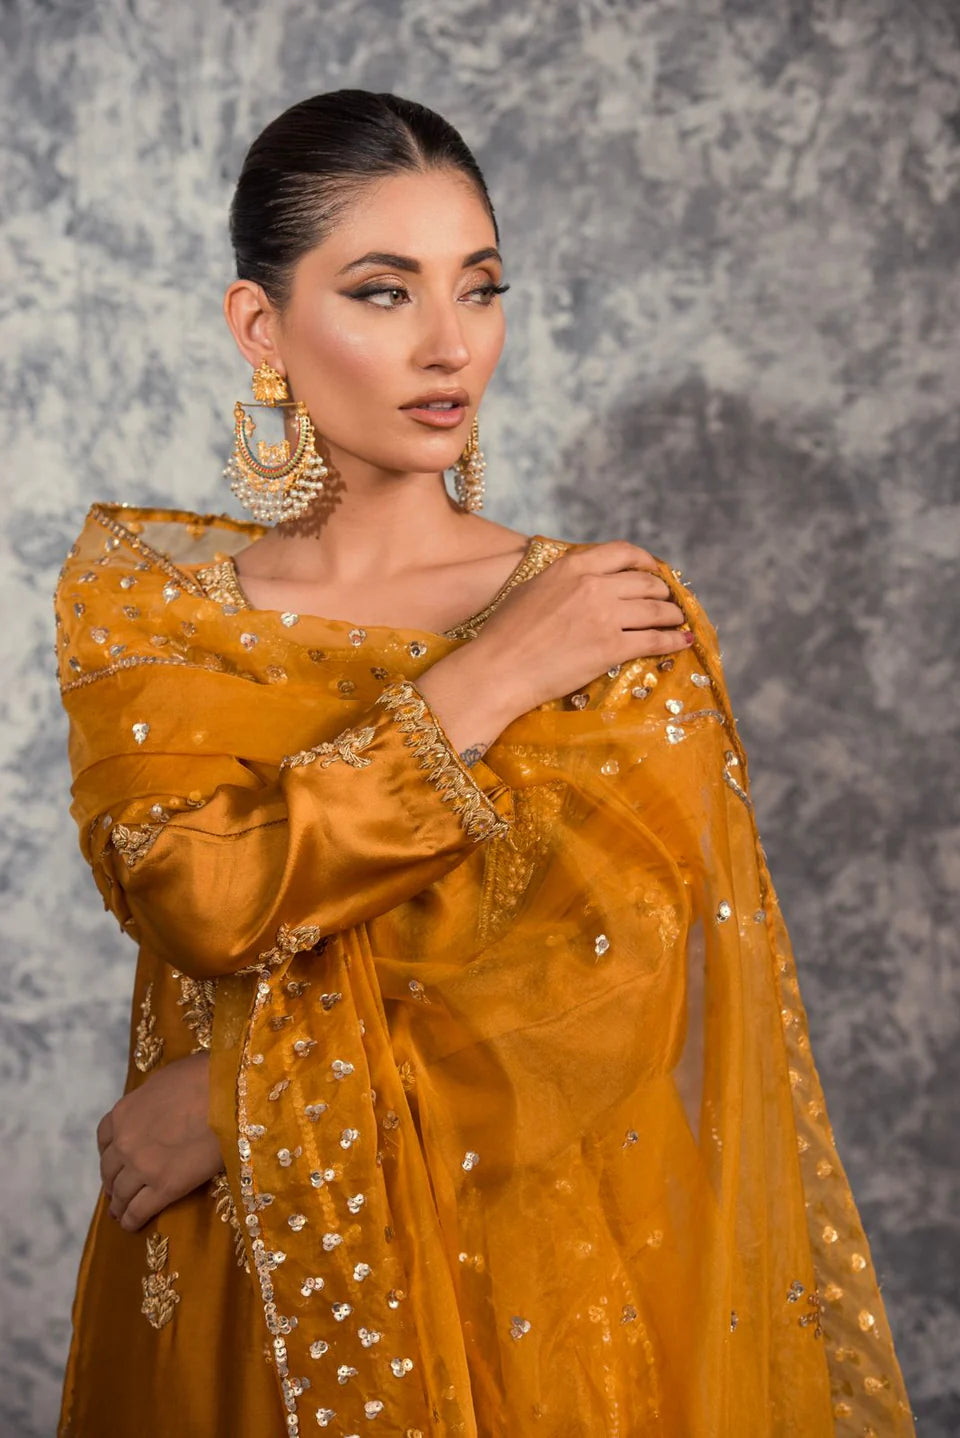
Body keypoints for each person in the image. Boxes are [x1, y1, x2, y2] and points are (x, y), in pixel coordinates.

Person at [54, 90, 915, 1437]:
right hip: (231, 1287)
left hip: (519, 1295)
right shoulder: (153, 618)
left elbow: (601, 1005)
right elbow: (206, 900)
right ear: (261, 328)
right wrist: (483, 681)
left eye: (481, 287)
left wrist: (240, 1104)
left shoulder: (612, 622)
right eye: (384, 292)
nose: (451, 344)